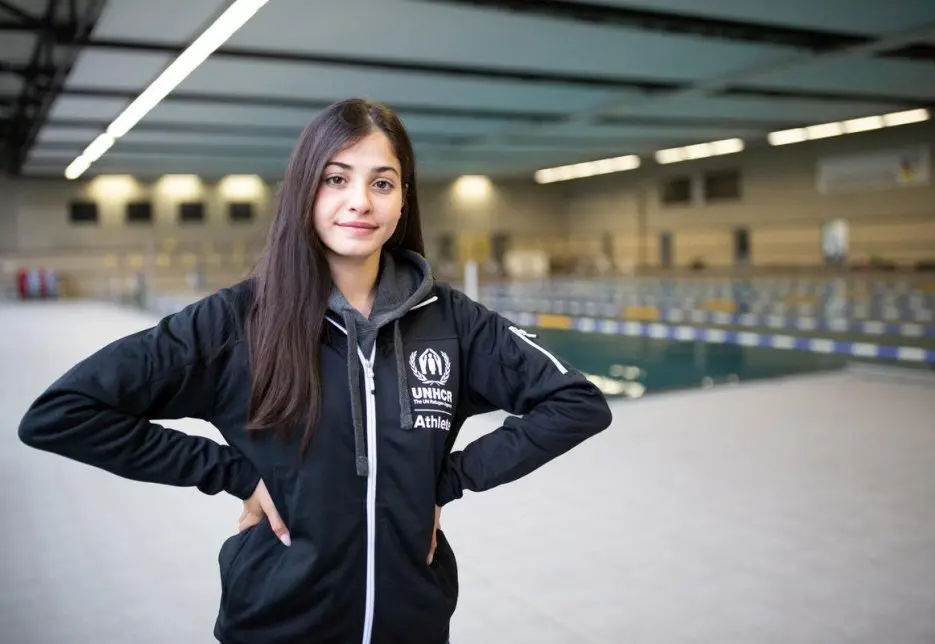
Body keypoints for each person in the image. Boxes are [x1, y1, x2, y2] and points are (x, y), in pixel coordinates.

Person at [18, 98, 614, 644]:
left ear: (404, 200)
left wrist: (447, 481)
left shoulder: (452, 322)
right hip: (277, 622)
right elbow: (62, 413)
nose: (360, 201)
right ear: (304, 191)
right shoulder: (236, 321)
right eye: (336, 179)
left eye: (382, 182)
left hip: (412, 622)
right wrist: (231, 473)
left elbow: (575, 402)